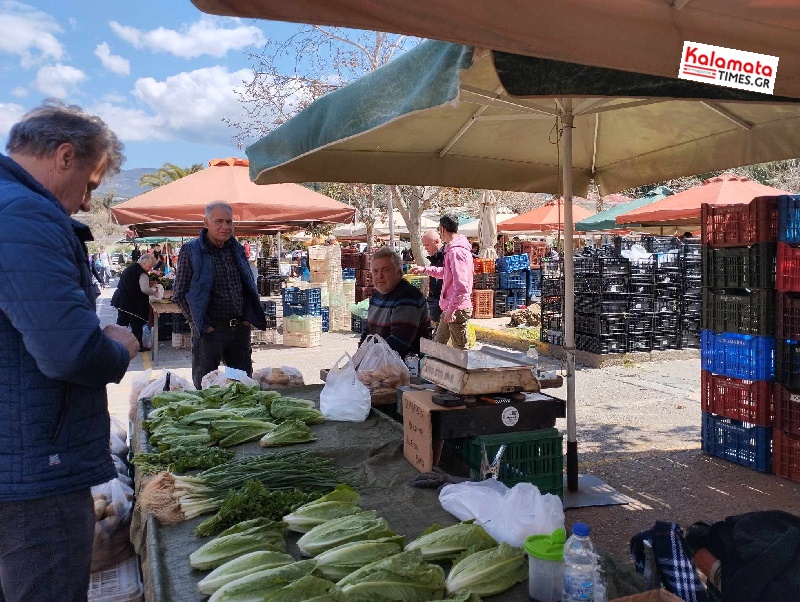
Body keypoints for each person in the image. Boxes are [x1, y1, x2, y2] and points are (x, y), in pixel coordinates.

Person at [0, 100, 138, 601]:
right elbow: (70, 354)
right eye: (91, 184)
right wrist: (117, 348)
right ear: (64, 155)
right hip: (36, 467)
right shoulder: (24, 215)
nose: (85, 203)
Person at [173, 202, 267, 389]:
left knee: (243, 385)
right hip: (211, 331)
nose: (225, 227)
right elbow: (179, 293)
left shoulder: (237, 249)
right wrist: (199, 324)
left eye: (229, 222)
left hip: (239, 329)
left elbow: (246, 285)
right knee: (206, 385)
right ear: (206, 222)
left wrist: (247, 317)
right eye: (219, 221)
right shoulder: (191, 251)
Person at [411, 215, 473, 349]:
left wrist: (451, 309)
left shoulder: (456, 251)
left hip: (457, 308)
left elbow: (461, 286)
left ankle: (460, 370)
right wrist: (424, 269)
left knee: (461, 351)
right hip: (451, 306)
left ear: (442, 229)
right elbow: (445, 273)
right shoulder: (452, 249)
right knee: (439, 345)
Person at [360, 247, 431, 358]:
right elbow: (367, 333)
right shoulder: (376, 296)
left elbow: (398, 343)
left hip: (405, 367)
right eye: (375, 271)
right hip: (378, 363)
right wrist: (360, 357)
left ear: (398, 271)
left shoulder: (408, 298)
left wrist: (368, 360)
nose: (380, 276)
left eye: (385, 270)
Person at [112, 254, 159, 351]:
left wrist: (148, 283)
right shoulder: (142, 273)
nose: (150, 269)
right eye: (150, 266)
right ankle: (137, 345)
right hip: (131, 302)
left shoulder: (131, 268)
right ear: (143, 263)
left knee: (122, 322)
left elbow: (133, 282)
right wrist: (155, 293)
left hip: (121, 299)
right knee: (136, 324)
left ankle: (116, 343)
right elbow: (144, 289)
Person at [421, 229, 445, 323]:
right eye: (424, 245)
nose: (425, 248)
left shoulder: (447, 255)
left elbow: (445, 274)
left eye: (427, 245)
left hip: (444, 298)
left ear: (436, 242)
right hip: (435, 297)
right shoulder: (434, 258)